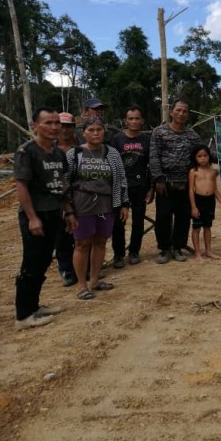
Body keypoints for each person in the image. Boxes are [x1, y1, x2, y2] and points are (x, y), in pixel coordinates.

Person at [13, 107, 69, 329]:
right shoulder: (27, 152)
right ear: (34, 126)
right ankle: (23, 315)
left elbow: (62, 183)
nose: (54, 127)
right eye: (48, 123)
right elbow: (21, 186)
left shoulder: (58, 153)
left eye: (57, 123)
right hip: (35, 215)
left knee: (44, 260)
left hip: (54, 212)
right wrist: (32, 218)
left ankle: (34, 306)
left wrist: (69, 210)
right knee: (31, 263)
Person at [65, 117, 129, 300]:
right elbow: (65, 181)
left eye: (99, 130)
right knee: (82, 243)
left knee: (100, 242)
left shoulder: (112, 153)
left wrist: (124, 204)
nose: (95, 133)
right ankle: (81, 285)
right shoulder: (74, 153)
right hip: (82, 204)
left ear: (104, 132)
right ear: (83, 132)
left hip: (106, 204)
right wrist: (67, 209)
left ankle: (94, 280)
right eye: (91, 130)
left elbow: (121, 179)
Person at [150, 99, 202, 264]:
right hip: (165, 183)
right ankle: (165, 249)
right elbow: (154, 157)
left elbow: (204, 153)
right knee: (163, 217)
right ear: (171, 112)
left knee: (183, 217)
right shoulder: (159, 132)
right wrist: (158, 178)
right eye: (178, 110)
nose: (181, 114)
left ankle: (178, 247)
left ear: (188, 115)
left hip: (186, 184)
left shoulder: (193, 136)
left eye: (185, 111)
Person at [110, 106, 152, 267]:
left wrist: (151, 188)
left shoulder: (146, 140)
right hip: (120, 187)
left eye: (137, 118)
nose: (134, 121)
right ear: (125, 121)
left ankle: (134, 252)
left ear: (142, 121)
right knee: (118, 222)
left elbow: (151, 164)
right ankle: (118, 255)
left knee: (138, 221)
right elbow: (112, 164)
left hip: (140, 186)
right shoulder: (116, 140)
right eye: (131, 118)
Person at [189, 145, 221, 261]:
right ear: (195, 158)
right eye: (199, 156)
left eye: (205, 156)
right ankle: (197, 252)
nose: (203, 158)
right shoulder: (193, 172)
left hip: (210, 201)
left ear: (209, 156)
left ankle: (208, 250)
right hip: (198, 200)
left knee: (207, 226)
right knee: (196, 227)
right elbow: (190, 190)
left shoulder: (213, 172)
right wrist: (193, 207)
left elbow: (215, 189)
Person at [54, 112, 79, 287]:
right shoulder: (49, 148)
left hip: (82, 197)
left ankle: (84, 269)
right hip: (57, 199)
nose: (65, 129)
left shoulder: (84, 145)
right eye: (62, 125)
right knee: (62, 237)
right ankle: (67, 271)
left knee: (84, 235)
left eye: (69, 125)